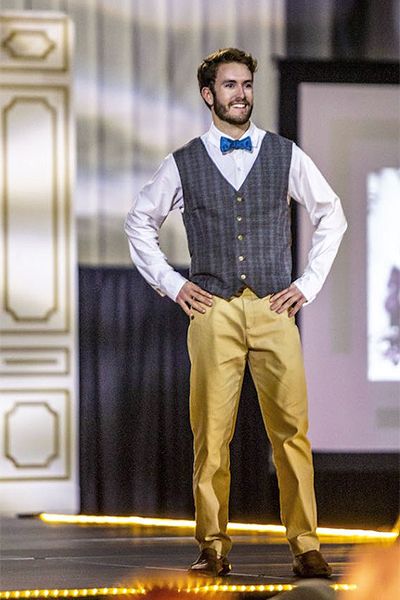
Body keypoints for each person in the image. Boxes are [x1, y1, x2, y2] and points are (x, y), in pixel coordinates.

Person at [125, 48, 347, 578]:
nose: (241, 94)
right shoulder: (182, 162)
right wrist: (173, 284)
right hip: (214, 311)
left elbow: (332, 213)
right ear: (209, 94)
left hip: (273, 307)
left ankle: (306, 546)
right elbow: (139, 221)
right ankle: (213, 547)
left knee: (291, 432)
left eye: (246, 84)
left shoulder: (284, 154)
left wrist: (307, 285)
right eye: (229, 85)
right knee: (211, 435)